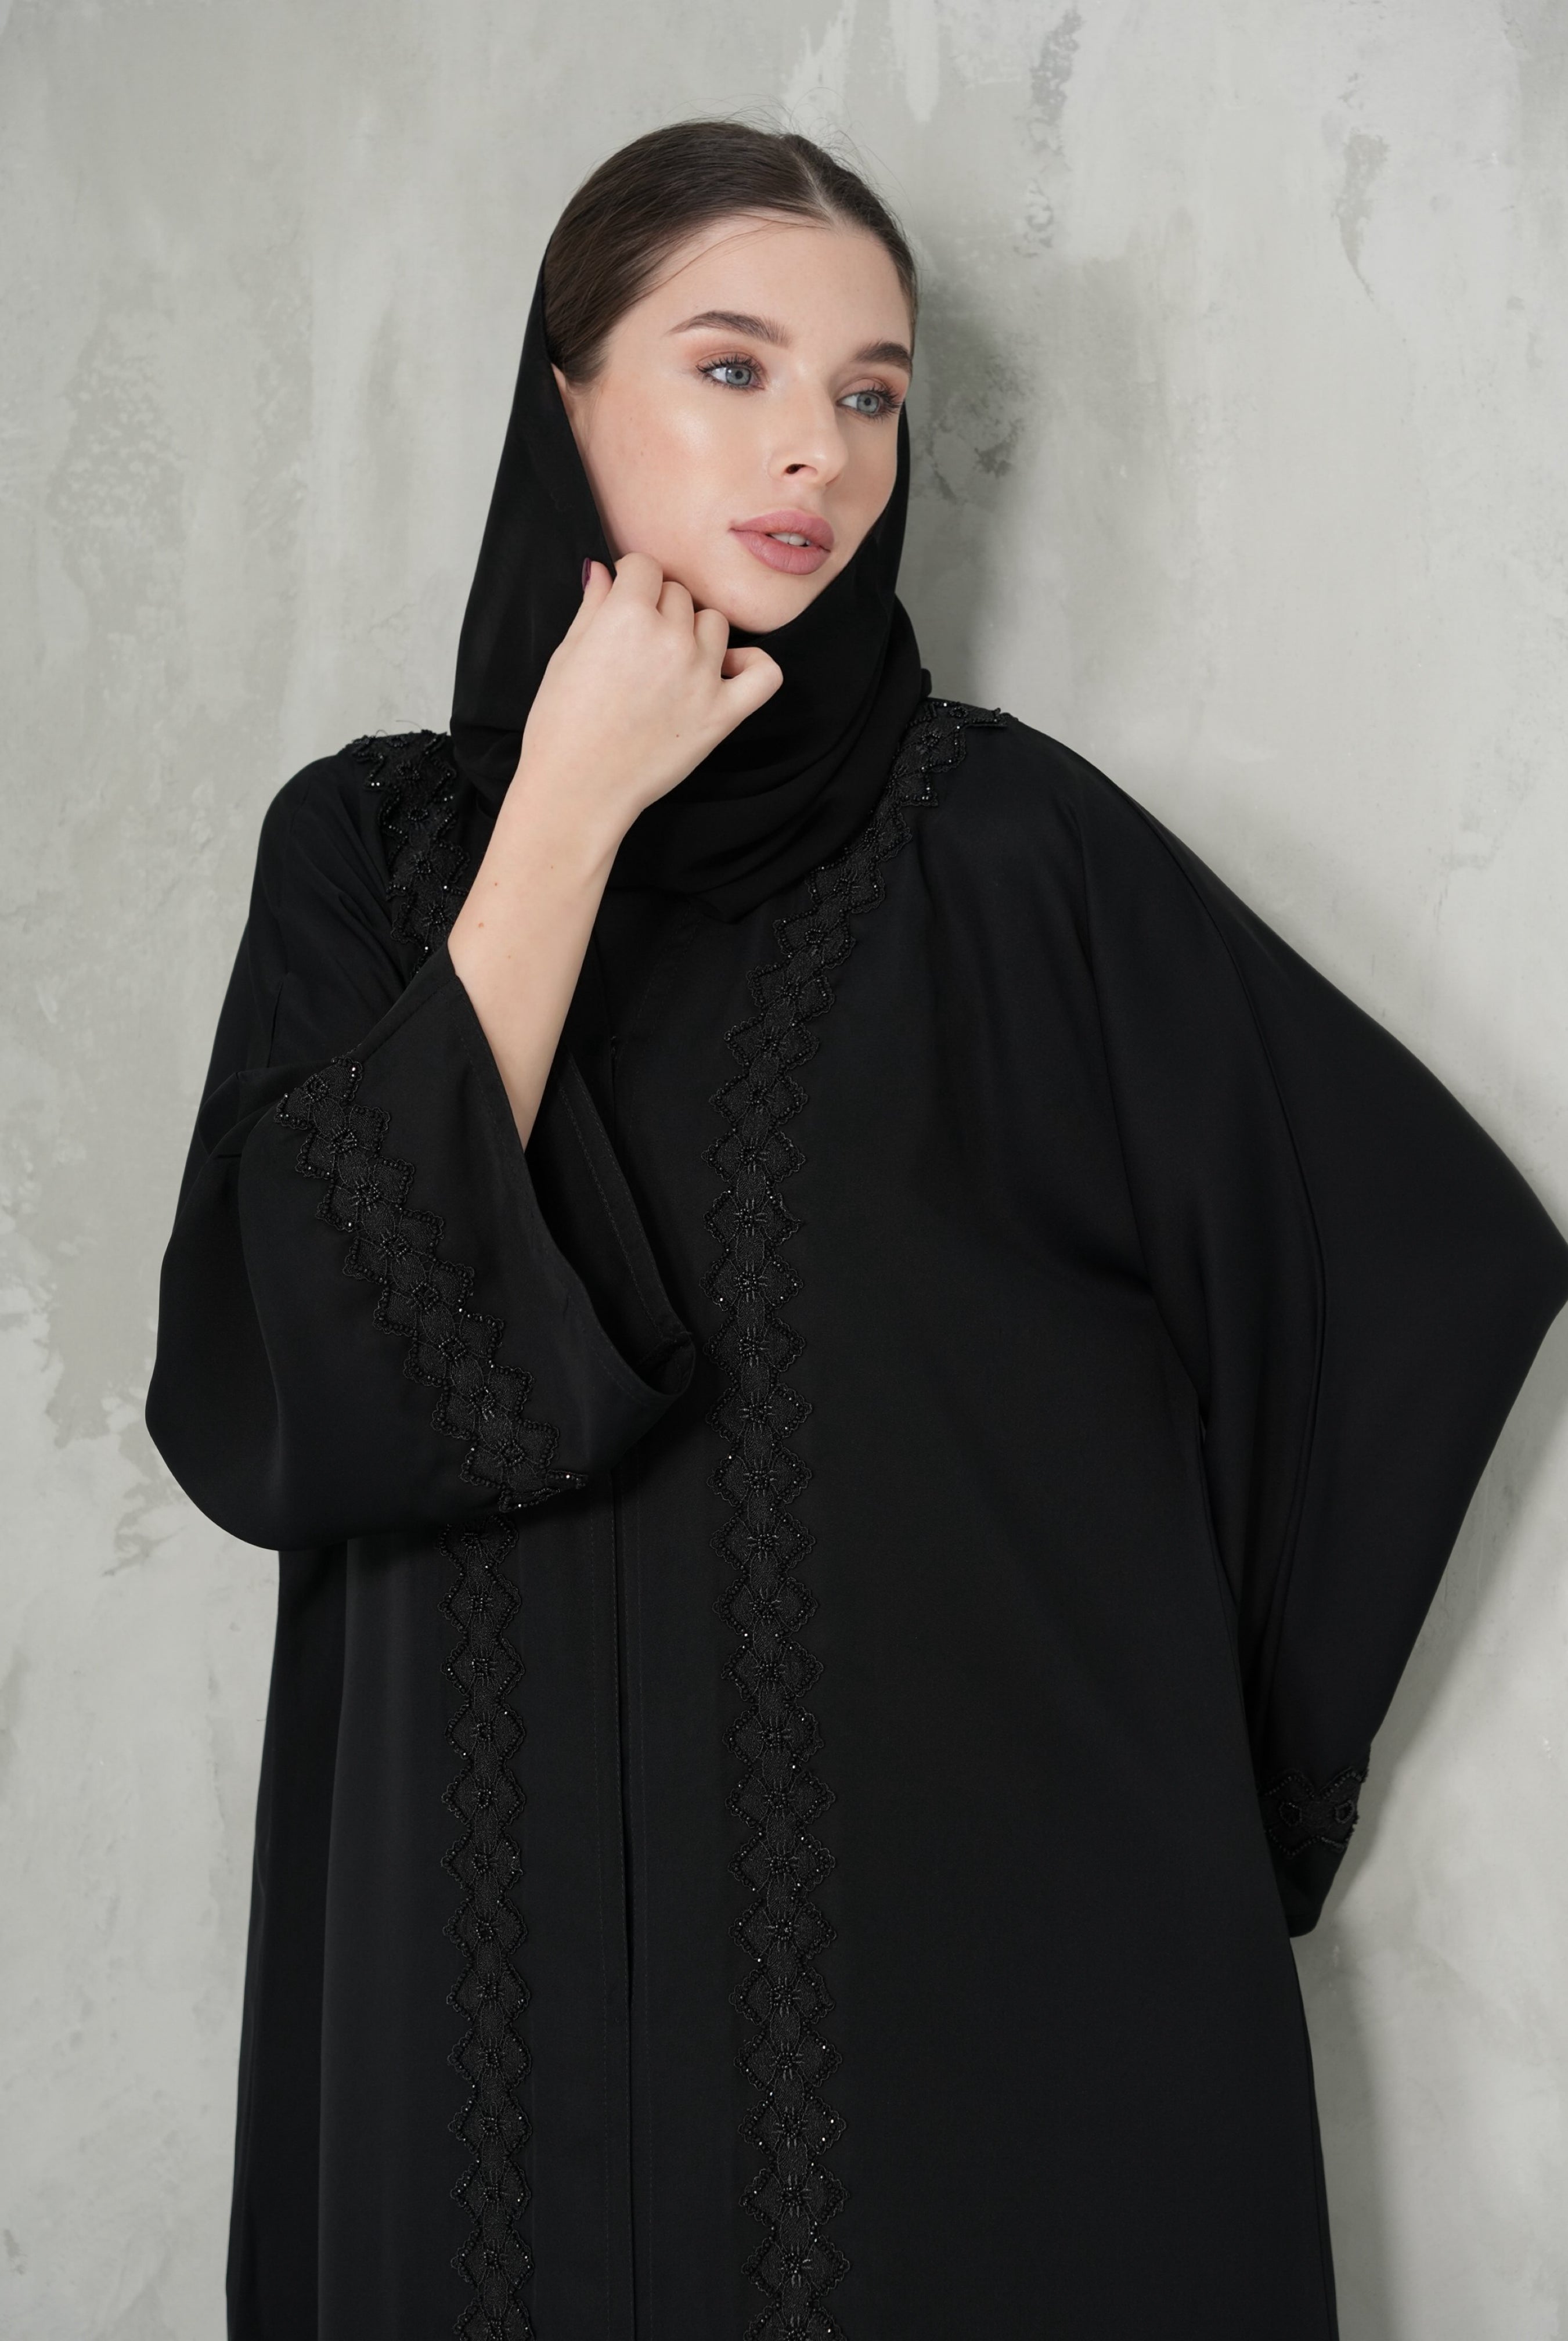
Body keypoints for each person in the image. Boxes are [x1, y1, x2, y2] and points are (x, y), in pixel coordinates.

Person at [146, 120, 1568, 2341]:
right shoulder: (367, 855)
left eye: (873, 391)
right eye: (733, 367)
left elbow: (1411, 1262)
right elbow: (280, 1380)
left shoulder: (1005, 856)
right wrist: (571, 803)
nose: (819, 447)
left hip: (943, 2013)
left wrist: (1208, 1784)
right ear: (564, 401)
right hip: (485, 2003)